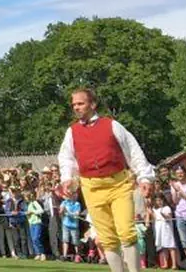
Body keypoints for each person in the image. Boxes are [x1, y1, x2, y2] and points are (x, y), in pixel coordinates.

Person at [57, 88, 155, 272]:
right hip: (91, 187)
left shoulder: (112, 125)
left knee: (126, 232)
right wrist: (67, 178)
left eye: (80, 103)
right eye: (74, 104)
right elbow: (66, 158)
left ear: (92, 104)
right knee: (107, 237)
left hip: (119, 184)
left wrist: (145, 177)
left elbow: (133, 151)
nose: (76, 107)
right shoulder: (72, 132)